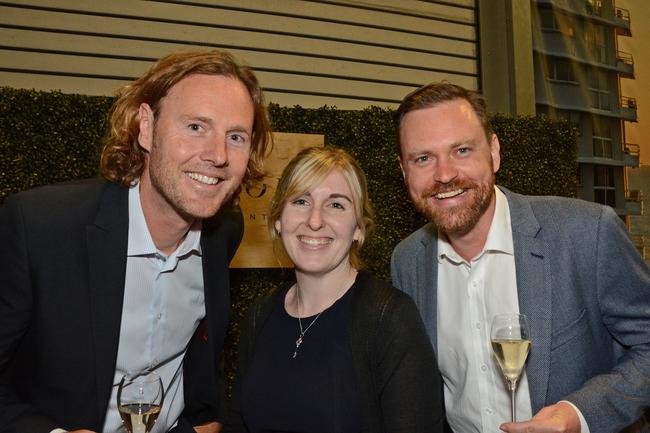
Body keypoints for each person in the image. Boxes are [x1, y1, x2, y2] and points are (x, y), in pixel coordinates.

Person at [0, 49, 271, 433]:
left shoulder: (224, 231)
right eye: (196, 127)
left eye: (236, 136)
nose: (218, 155)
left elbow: (201, 347)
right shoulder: (40, 227)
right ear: (146, 127)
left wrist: (205, 417)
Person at [391, 82, 650, 433]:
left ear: (494, 152)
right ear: (405, 171)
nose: (445, 174)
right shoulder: (407, 262)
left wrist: (579, 415)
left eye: (462, 150)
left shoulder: (587, 233)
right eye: (423, 158)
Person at [224, 146, 444, 433]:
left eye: (336, 205)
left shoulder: (388, 318)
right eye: (301, 201)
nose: (315, 221)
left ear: (358, 228)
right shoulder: (261, 315)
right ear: (279, 220)